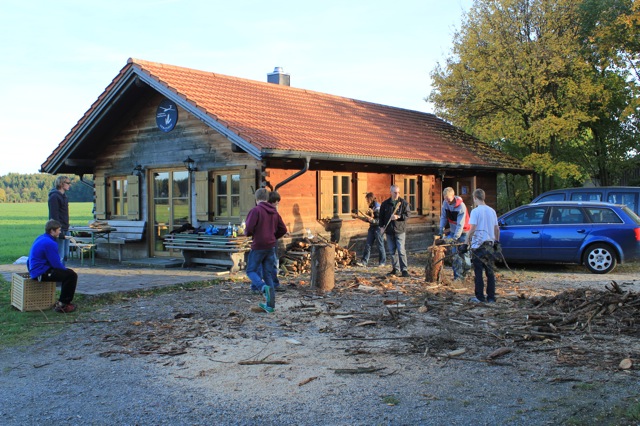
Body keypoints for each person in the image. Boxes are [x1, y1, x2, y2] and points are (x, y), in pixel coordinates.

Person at [245, 188, 287, 313]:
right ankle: (270, 305)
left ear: (256, 199)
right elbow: (283, 229)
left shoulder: (255, 210)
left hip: (258, 245)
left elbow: (249, 228)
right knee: (268, 274)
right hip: (270, 246)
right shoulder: (274, 212)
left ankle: (262, 287)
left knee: (251, 270)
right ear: (267, 199)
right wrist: (273, 237)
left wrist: (249, 233)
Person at [27, 220, 78, 313]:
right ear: (52, 231)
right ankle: (63, 304)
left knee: (68, 273)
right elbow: (56, 264)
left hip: (36, 270)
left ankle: (63, 301)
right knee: (71, 275)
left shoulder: (41, 237)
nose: (60, 232)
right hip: (41, 273)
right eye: (58, 230)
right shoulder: (50, 243)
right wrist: (66, 271)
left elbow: (29, 259)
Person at [465, 188, 500, 303]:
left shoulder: (475, 211)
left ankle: (480, 297)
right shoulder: (492, 211)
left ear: (475, 198)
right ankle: (491, 297)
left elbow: (472, 229)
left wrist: (466, 243)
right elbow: (496, 229)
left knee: (478, 273)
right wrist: (497, 242)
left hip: (478, 246)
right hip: (489, 245)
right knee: (490, 273)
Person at [439, 187, 471, 280]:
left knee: (464, 254)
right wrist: (441, 229)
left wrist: (455, 238)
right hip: (453, 232)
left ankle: (466, 273)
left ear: (453, 196)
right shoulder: (445, 203)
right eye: (445, 198)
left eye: (448, 199)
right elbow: (443, 217)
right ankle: (457, 277)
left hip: (464, 232)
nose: (447, 201)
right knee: (455, 255)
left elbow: (460, 224)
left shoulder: (461, 206)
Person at [378, 185, 410, 277]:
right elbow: (381, 217)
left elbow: (408, 215)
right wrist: (381, 227)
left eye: (398, 192)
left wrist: (398, 216)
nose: (397, 194)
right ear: (391, 192)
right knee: (392, 251)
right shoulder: (385, 204)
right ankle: (395, 269)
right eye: (395, 192)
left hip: (400, 230)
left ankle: (404, 270)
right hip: (389, 231)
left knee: (401, 250)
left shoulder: (403, 203)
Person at [357, 192, 386, 267]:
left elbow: (380, 220)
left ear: (370, 199)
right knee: (368, 245)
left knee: (380, 245)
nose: (367, 201)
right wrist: (359, 217)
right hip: (372, 228)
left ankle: (382, 262)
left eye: (367, 199)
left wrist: (372, 220)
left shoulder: (377, 207)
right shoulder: (371, 206)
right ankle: (364, 262)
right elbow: (369, 219)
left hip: (378, 228)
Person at [48, 176, 72, 263]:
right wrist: (58, 231)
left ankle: (62, 270)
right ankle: (57, 271)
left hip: (65, 228)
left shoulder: (64, 196)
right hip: (58, 230)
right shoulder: (54, 197)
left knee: (65, 255)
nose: (69, 185)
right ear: (61, 184)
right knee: (59, 256)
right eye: (68, 183)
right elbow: (54, 216)